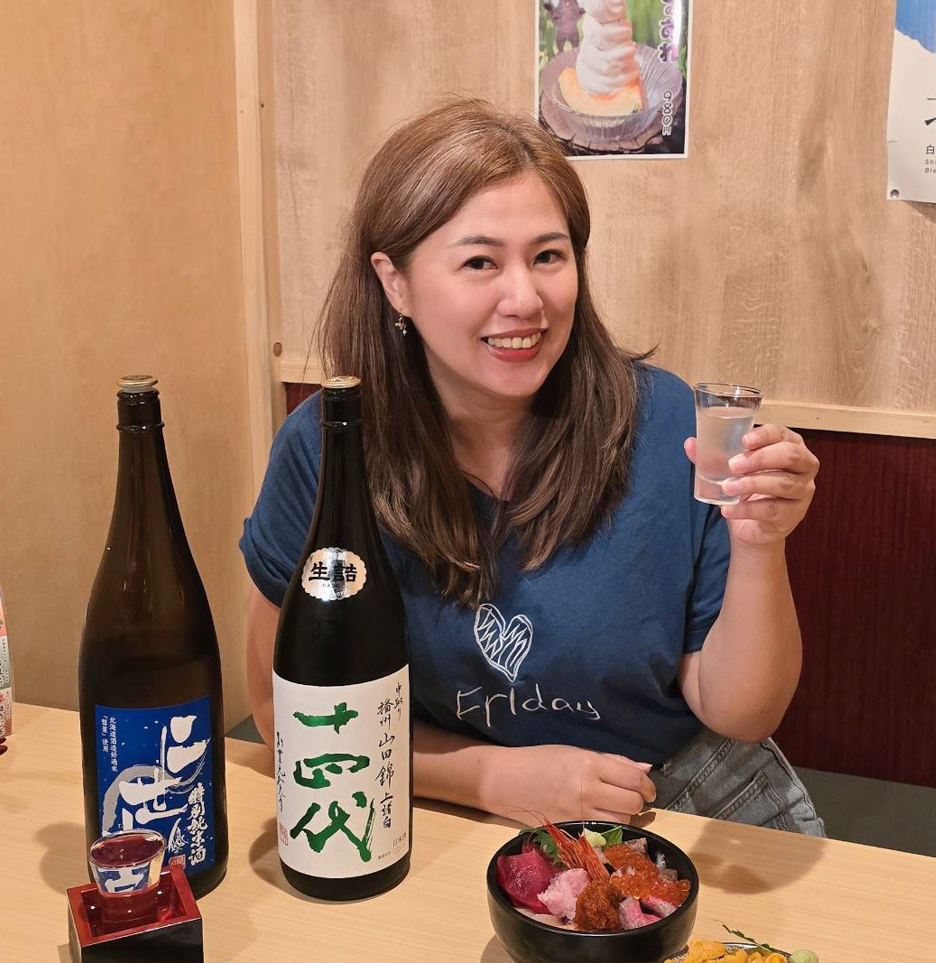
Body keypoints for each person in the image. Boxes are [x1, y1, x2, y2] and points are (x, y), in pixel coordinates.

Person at [242, 99, 823, 835]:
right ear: (395, 283)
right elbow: (277, 709)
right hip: (435, 814)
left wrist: (760, 541)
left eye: (549, 256)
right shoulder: (326, 451)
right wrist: (485, 777)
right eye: (480, 261)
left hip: (689, 804)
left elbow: (741, 711)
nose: (526, 299)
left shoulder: (666, 423)